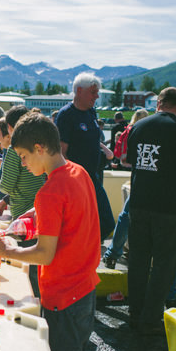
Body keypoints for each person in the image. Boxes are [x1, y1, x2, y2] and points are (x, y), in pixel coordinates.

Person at [0, 113, 99, 351]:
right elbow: (70, 212)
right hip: (85, 289)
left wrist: (6, 251)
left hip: (63, 295)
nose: (23, 164)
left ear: (39, 148)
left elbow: (44, 254)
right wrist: (35, 214)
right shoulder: (78, 172)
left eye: (23, 156)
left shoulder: (48, 191)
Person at [125, 87, 176, 333]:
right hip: (171, 208)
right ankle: (150, 320)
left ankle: (135, 313)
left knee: (138, 261)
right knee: (163, 264)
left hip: (139, 204)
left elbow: (129, 161)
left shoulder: (139, 127)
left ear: (158, 104)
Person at [55, 72, 114, 240]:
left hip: (93, 176)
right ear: (79, 91)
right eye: (93, 92)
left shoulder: (91, 112)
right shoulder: (66, 115)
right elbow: (61, 151)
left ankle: (89, 250)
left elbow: (94, 139)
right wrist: (66, 181)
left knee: (104, 222)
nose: (97, 96)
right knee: (96, 221)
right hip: (76, 180)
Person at [104, 109, 149, 269]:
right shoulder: (144, 132)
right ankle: (118, 253)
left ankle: (114, 253)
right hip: (146, 180)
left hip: (136, 177)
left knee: (126, 215)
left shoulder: (129, 131)